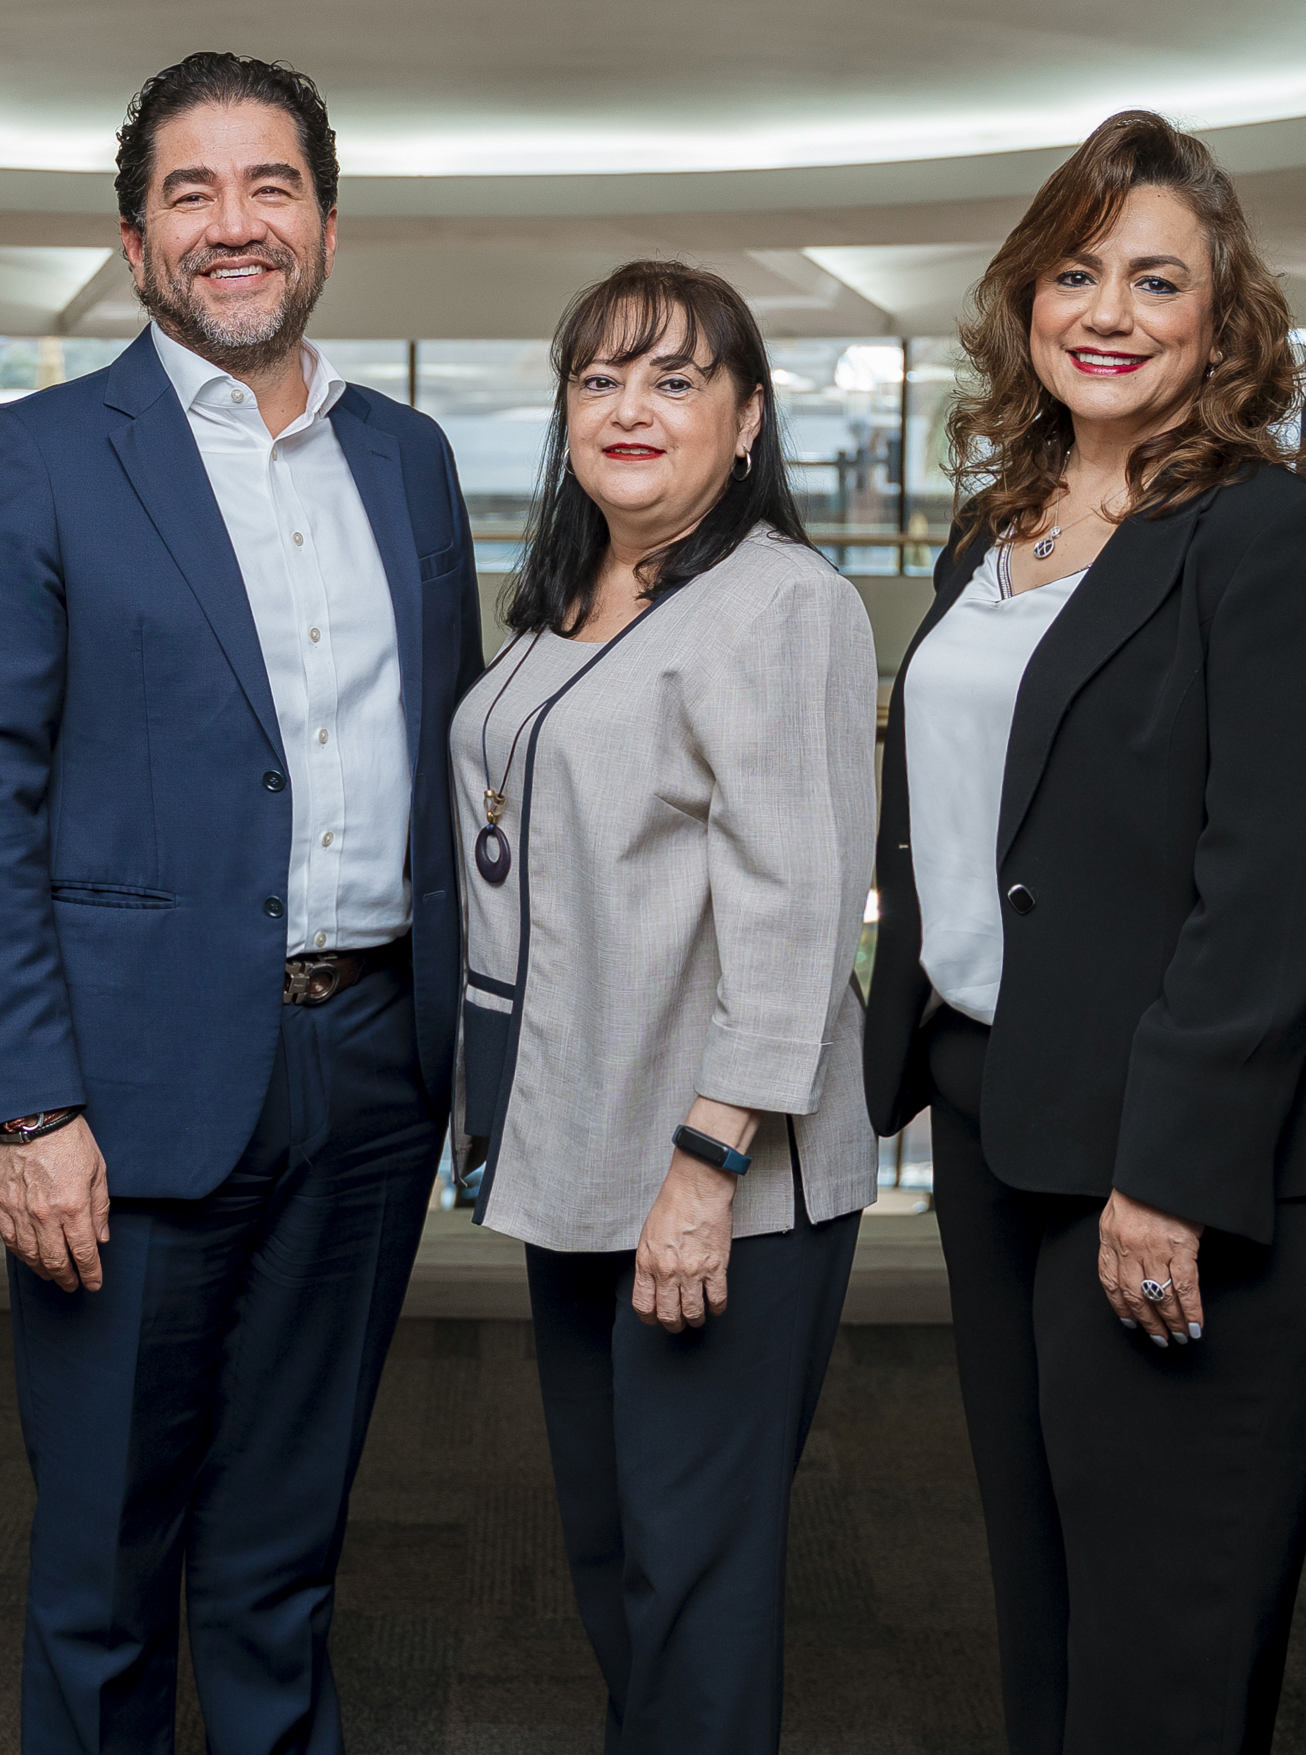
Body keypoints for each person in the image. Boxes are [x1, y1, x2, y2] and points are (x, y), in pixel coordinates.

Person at [0, 52, 483, 1754]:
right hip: (125, 1091)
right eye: (192, 192)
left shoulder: (410, 459)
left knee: (286, 1554)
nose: (235, 225)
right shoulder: (35, 456)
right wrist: (28, 1105)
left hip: (369, 1075)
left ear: (328, 223)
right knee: (105, 1567)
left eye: (270, 187)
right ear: (134, 240)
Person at [861, 111, 1306, 1755]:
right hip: (1001, 1112)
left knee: (1163, 1649)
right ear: (1026, 297)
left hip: (1185, 1159)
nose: (1107, 311)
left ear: (1223, 318)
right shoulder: (996, 530)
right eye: (1076, 271)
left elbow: (1277, 894)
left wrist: (1167, 1175)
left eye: (1156, 280)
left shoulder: (1279, 540)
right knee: (1047, 1606)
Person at [453, 260, 875, 1754]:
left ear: (748, 420)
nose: (630, 408)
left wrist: (705, 1166)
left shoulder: (782, 605)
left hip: (712, 1174)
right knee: (612, 1545)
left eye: (676, 379)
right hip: (580, 1144)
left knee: (693, 1572)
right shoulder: (572, 592)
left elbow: (796, 909)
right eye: (600, 379)